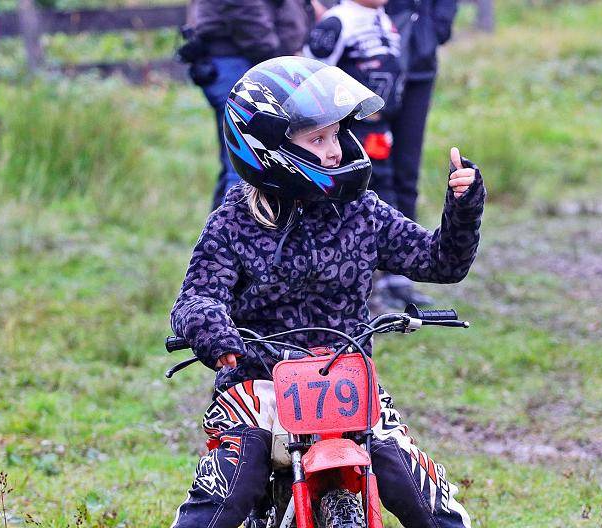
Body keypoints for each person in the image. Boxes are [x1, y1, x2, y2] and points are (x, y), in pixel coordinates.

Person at [169, 56, 484, 528]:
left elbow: (439, 261)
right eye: (318, 139)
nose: (336, 150)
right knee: (233, 482)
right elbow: (196, 298)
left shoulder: (360, 211)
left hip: (345, 379)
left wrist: (463, 207)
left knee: (404, 478)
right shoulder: (234, 221)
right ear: (268, 148)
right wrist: (212, 330)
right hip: (260, 384)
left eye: (337, 134)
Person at [302, 0, 413, 309]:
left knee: (385, 196)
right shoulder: (338, 21)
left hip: (382, 128)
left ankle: (393, 281)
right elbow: (311, 75)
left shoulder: (386, 20)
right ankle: (360, 292)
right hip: (349, 133)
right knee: (351, 206)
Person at [179, 0, 315, 210]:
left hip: (242, 58)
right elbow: (243, 9)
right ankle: (237, 237)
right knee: (246, 163)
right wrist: (277, 59)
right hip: (239, 59)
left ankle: (218, 236)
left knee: (236, 161)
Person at [381, 0, 458, 306]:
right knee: (372, 173)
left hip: (419, 66)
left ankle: (400, 277)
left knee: (406, 172)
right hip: (371, 68)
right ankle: (372, 278)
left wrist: (434, 29)